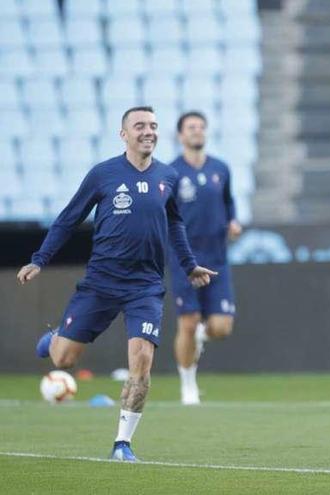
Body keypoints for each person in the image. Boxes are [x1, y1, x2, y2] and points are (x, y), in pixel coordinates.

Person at [17, 106, 217, 462]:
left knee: (142, 361)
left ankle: (122, 444)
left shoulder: (167, 177)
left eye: (153, 126)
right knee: (63, 360)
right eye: (139, 126)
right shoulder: (103, 174)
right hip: (101, 282)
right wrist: (39, 259)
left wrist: (188, 265)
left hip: (146, 286)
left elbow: (174, 225)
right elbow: (68, 219)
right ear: (123, 134)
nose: (148, 131)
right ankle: (54, 341)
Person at [168, 111, 241, 405]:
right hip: (185, 259)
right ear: (180, 135)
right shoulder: (171, 173)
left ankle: (200, 337)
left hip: (217, 258)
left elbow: (229, 202)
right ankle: (188, 386)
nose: (197, 131)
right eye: (191, 127)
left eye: (201, 127)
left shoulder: (220, 169)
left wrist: (233, 222)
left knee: (222, 328)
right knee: (187, 323)